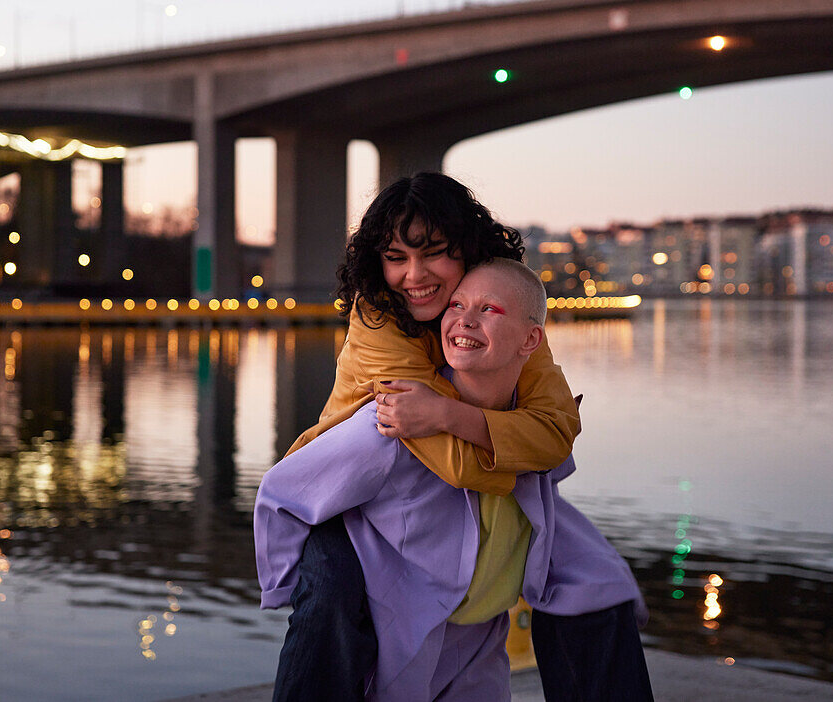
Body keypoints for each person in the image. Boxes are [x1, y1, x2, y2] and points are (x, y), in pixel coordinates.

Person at [256, 260, 652, 701]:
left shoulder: (531, 429)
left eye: (489, 309)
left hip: (478, 643)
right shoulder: (393, 421)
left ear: (531, 340)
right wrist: (296, 585)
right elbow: (284, 491)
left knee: (602, 591)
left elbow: (553, 465)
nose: (465, 319)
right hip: (397, 637)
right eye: (457, 305)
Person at [268, 173, 582, 702]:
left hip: (437, 516)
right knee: (331, 607)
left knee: (594, 586)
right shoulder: (378, 322)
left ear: (469, 251)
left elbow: (557, 435)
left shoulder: (505, 311)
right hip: (350, 504)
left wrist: (444, 413)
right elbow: (460, 465)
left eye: (434, 254)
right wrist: (523, 452)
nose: (414, 276)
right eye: (396, 257)